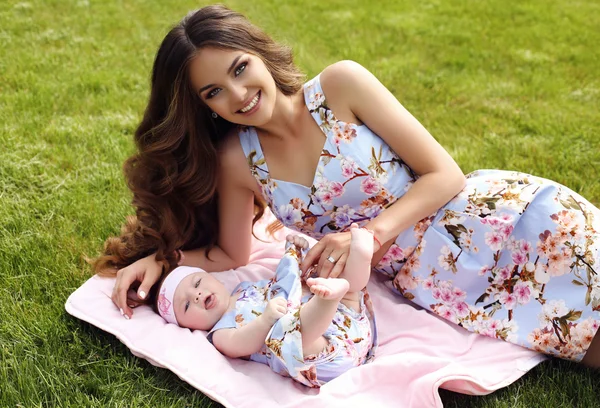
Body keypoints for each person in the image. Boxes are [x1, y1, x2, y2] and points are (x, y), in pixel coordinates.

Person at [93, 4, 600, 366]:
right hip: (443, 284)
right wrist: (162, 259)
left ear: (257, 51)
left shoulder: (340, 86)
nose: (240, 94)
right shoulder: (235, 159)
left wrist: (368, 235)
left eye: (240, 68)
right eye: (214, 91)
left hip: (504, 221)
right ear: (204, 105)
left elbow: (445, 174)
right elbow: (230, 254)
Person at [153, 227, 376, 387]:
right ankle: (329, 299)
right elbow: (240, 343)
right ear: (186, 325)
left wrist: (293, 259)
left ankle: (360, 256)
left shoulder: (245, 288)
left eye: (197, 283)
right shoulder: (219, 333)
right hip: (322, 355)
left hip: (347, 324)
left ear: (213, 278)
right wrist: (265, 320)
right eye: (186, 305)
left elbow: (281, 287)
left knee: (347, 289)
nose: (197, 295)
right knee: (293, 333)